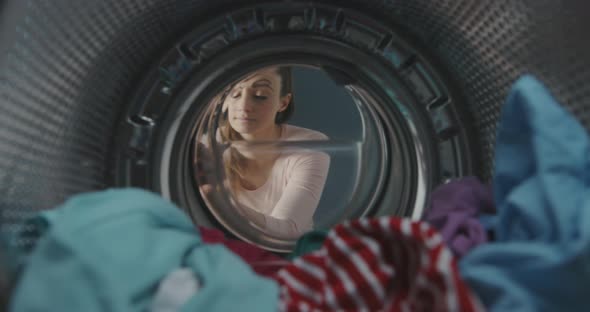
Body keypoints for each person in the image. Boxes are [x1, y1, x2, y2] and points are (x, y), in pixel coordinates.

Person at [198, 66, 330, 239]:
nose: (244, 106)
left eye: (260, 96)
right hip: (235, 246)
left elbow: (289, 229)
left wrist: (220, 202)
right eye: (235, 94)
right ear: (226, 100)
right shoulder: (209, 145)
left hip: (287, 253)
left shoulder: (309, 146)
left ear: (283, 103)